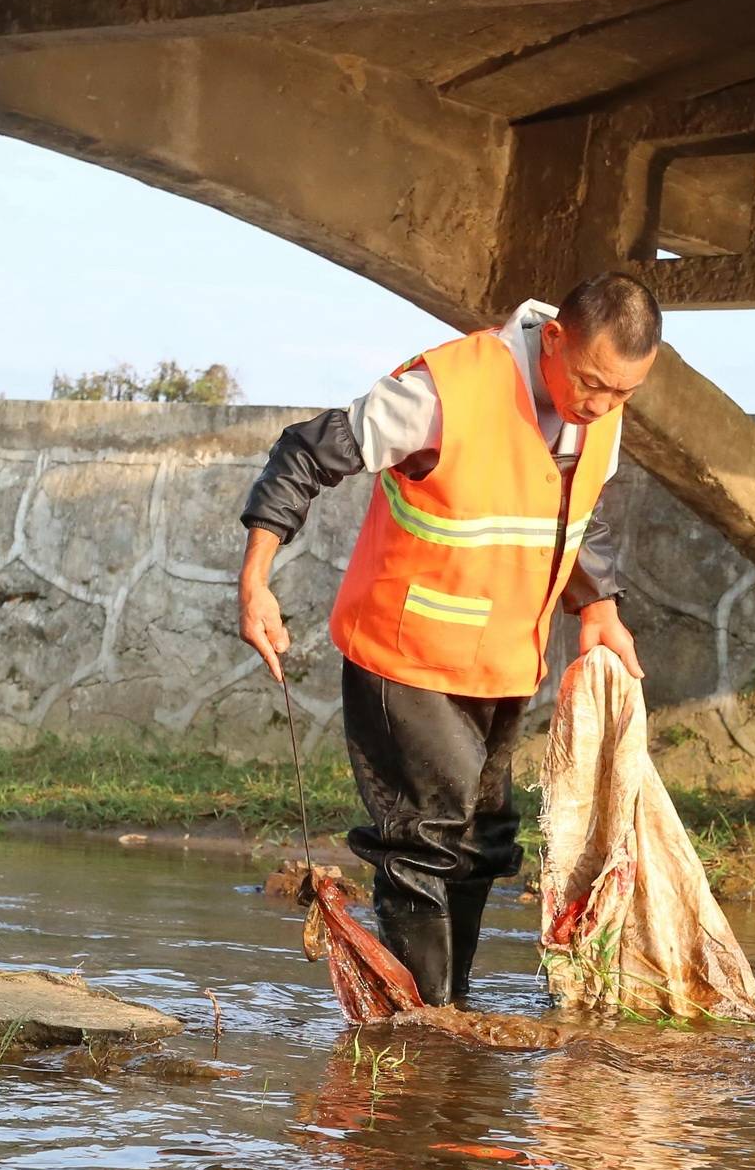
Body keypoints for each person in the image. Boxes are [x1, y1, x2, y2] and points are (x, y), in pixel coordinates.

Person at [234, 272, 662, 1008]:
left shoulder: (602, 409)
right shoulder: (443, 393)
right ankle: (422, 1035)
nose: (601, 405)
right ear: (554, 339)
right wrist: (255, 581)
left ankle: (447, 1012)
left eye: (622, 394)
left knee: (485, 842)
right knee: (429, 837)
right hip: (404, 657)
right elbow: (304, 453)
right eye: (592, 383)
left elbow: (583, 508)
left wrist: (600, 605)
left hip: (500, 666)